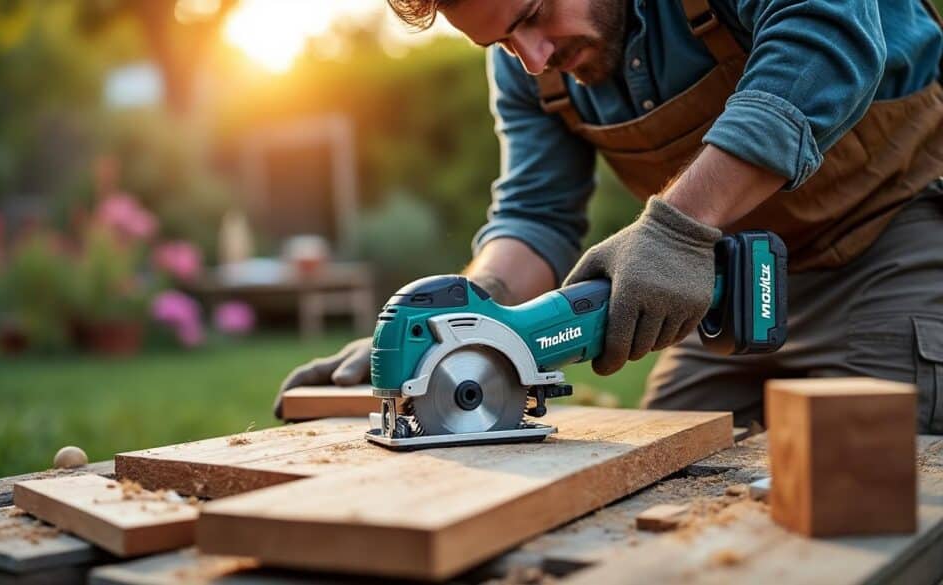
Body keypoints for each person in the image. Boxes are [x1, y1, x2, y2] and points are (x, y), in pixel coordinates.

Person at [277, 0, 943, 433]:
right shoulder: (528, 67)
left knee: (865, 488)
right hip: (718, 292)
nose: (533, 56)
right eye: (505, 41)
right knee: (661, 481)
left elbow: (825, 41)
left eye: (534, 14)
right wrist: (453, 331)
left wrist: (677, 227)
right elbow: (535, 214)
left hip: (888, 245)